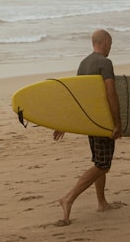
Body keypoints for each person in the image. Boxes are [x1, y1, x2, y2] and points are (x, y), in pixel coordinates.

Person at [53, 29, 123, 226]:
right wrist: (117, 123)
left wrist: (64, 123)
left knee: (98, 161)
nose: (111, 48)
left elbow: (78, 97)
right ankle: (68, 198)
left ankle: (102, 202)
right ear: (106, 42)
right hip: (103, 122)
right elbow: (111, 94)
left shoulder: (83, 64)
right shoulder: (105, 63)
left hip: (90, 122)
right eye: (111, 43)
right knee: (103, 165)